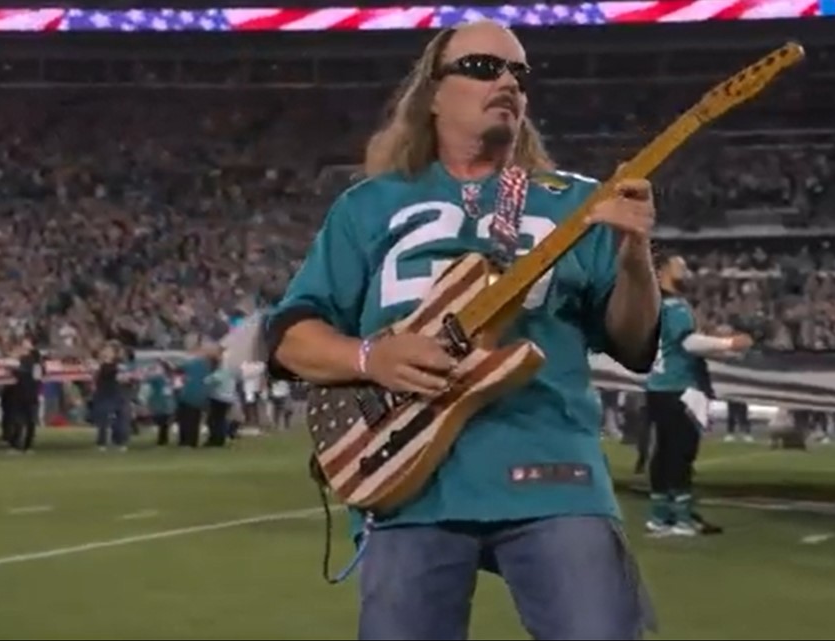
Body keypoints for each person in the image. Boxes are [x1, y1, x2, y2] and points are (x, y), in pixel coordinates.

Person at [263, 20, 662, 640]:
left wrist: (635, 253)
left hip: (553, 473)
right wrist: (372, 356)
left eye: (519, 74)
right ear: (431, 93)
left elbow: (635, 343)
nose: (506, 82)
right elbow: (289, 335)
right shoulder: (369, 205)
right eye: (483, 68)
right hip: (408, 480)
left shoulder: (584, 202)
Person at [644, 254, 752, 537]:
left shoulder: (652, 304)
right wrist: (730, 342)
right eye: (679, 265)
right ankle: (681, 518)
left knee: (664, 453)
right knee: (680, 453)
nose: (685, 270)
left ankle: (660, 516)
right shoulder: (676, 306)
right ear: (662, 270)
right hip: (679, 387)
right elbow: (688, 343)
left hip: (658, 386)